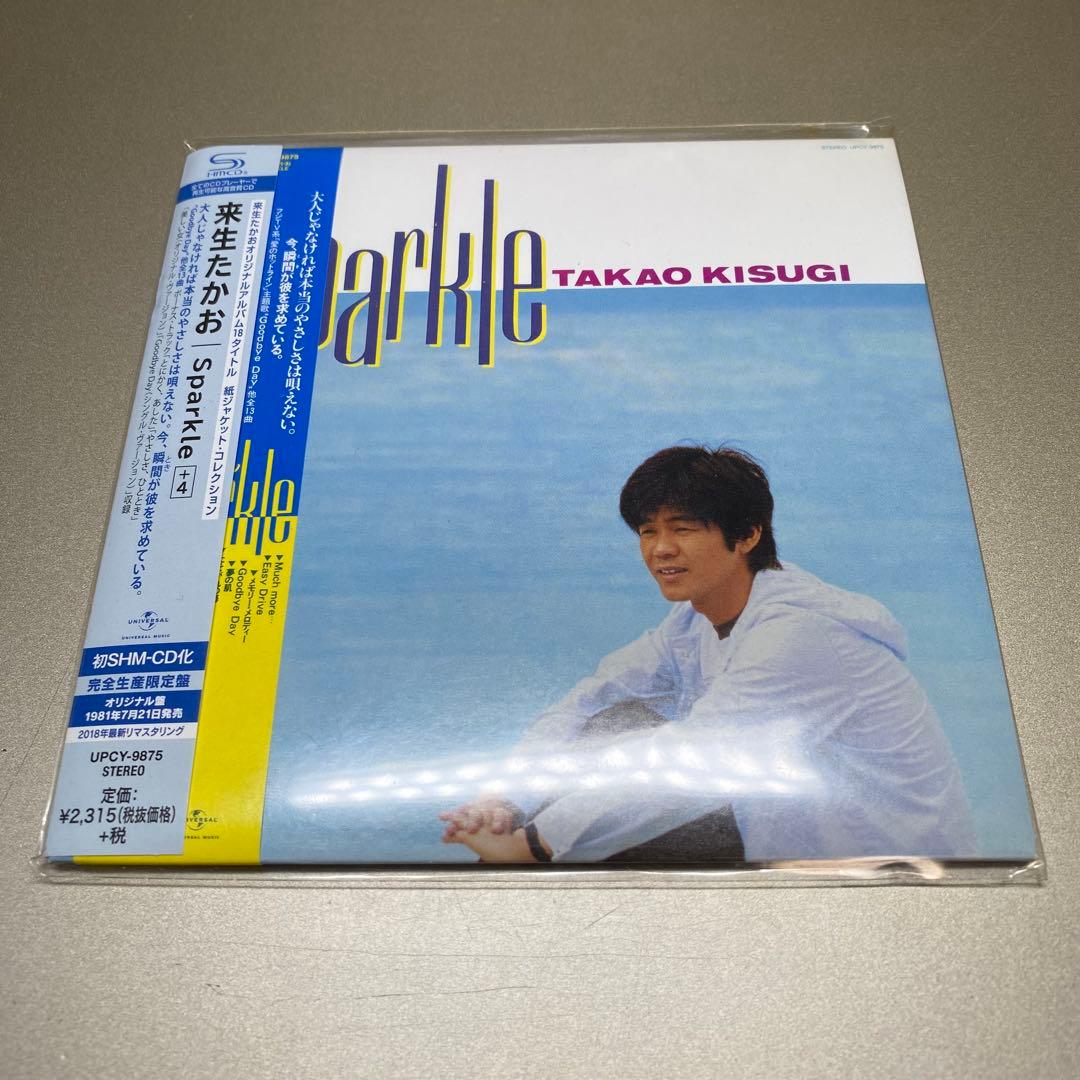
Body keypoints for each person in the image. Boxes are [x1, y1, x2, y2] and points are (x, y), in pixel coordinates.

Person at [439, 445, 975, 864]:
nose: (660, 549)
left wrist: (535, 844)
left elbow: (699, 753)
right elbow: (591, 700)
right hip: (784, 847)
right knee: (612, 721)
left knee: (616, 801)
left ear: (747, 535)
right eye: (647, 531)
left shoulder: (802, 634)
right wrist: (506, 799)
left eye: (683, 529)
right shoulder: (691, 621)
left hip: (890, 873)